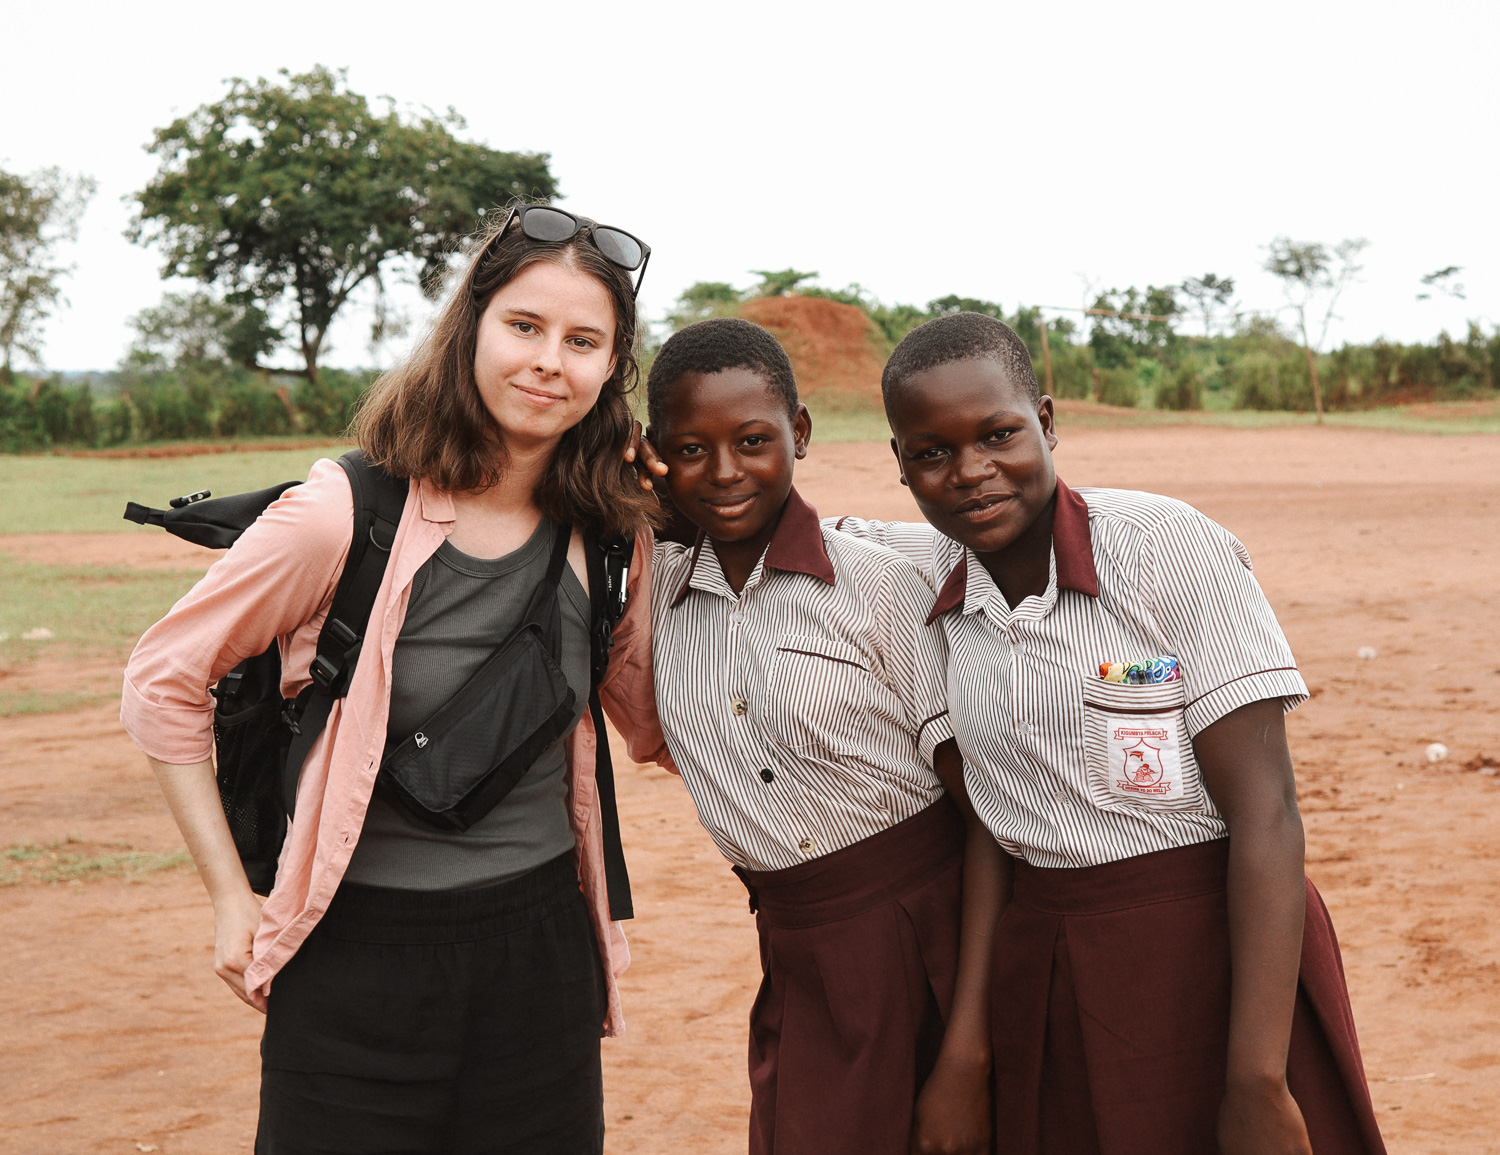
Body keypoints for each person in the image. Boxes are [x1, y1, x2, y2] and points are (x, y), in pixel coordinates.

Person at [121, 204, 667, 1155]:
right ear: (471, 326)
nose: (549, 361)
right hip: (353, 954)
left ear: (611, 372)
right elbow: (163, 677)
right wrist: (227, 896)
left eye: (584, 341)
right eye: (525, 326)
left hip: (541, 951)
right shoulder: (348, 510)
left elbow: (659, 723)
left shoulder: (612, 530)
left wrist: (709, 503)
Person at [829, 312, 1387, 1154]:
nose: (972, 472)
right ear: (902, 465)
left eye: (999, 434)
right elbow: (993, 820)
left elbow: (1267, 815)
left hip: (1220, 959)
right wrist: (969, 1053)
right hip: (1055, 964)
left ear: (1047, 421)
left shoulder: (1167, 549)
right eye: (931, 453)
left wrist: (1257, 1082)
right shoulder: (936, 589)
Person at [633, 317, 1007, 1155]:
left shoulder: (881, 586)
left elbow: (985, 818)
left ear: (799, 434)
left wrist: (968, 1053)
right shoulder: (645, 593)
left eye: (754, 440)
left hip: (940, 935)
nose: (725, 472)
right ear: (656, 454)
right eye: (691, 448)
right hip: (800, 946)